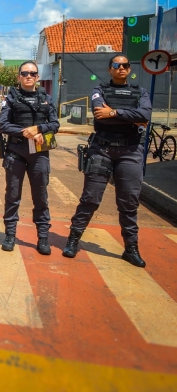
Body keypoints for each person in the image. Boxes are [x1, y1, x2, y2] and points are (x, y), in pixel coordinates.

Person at [63, 55, 151, 267]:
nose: (121, 68)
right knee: (90, 198)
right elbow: (99, 113)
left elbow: (145, 114)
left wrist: (113, 111)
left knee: (129, 202)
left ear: (129, 69)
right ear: (109, 69)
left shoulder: (141, 92)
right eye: (116, 65)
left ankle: (131, 248)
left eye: (125, 65)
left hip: (130, 151)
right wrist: (130, 116)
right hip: (102, 149)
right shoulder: (99, 90)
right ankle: (73, 239)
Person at [0, 61, 60, 254]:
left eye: (32, 73)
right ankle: (10, 234)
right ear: (19, 77)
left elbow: (55, 124)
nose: (28, 76)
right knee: (13, 195)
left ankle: (43, 238)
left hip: (39, 153)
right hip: (16, 151)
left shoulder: (46, 98)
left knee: (40, 197)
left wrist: (40, 129)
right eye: (24, 73)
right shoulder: (10, 99)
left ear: (37, 77)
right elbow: (3, 125)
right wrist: (26, 132)